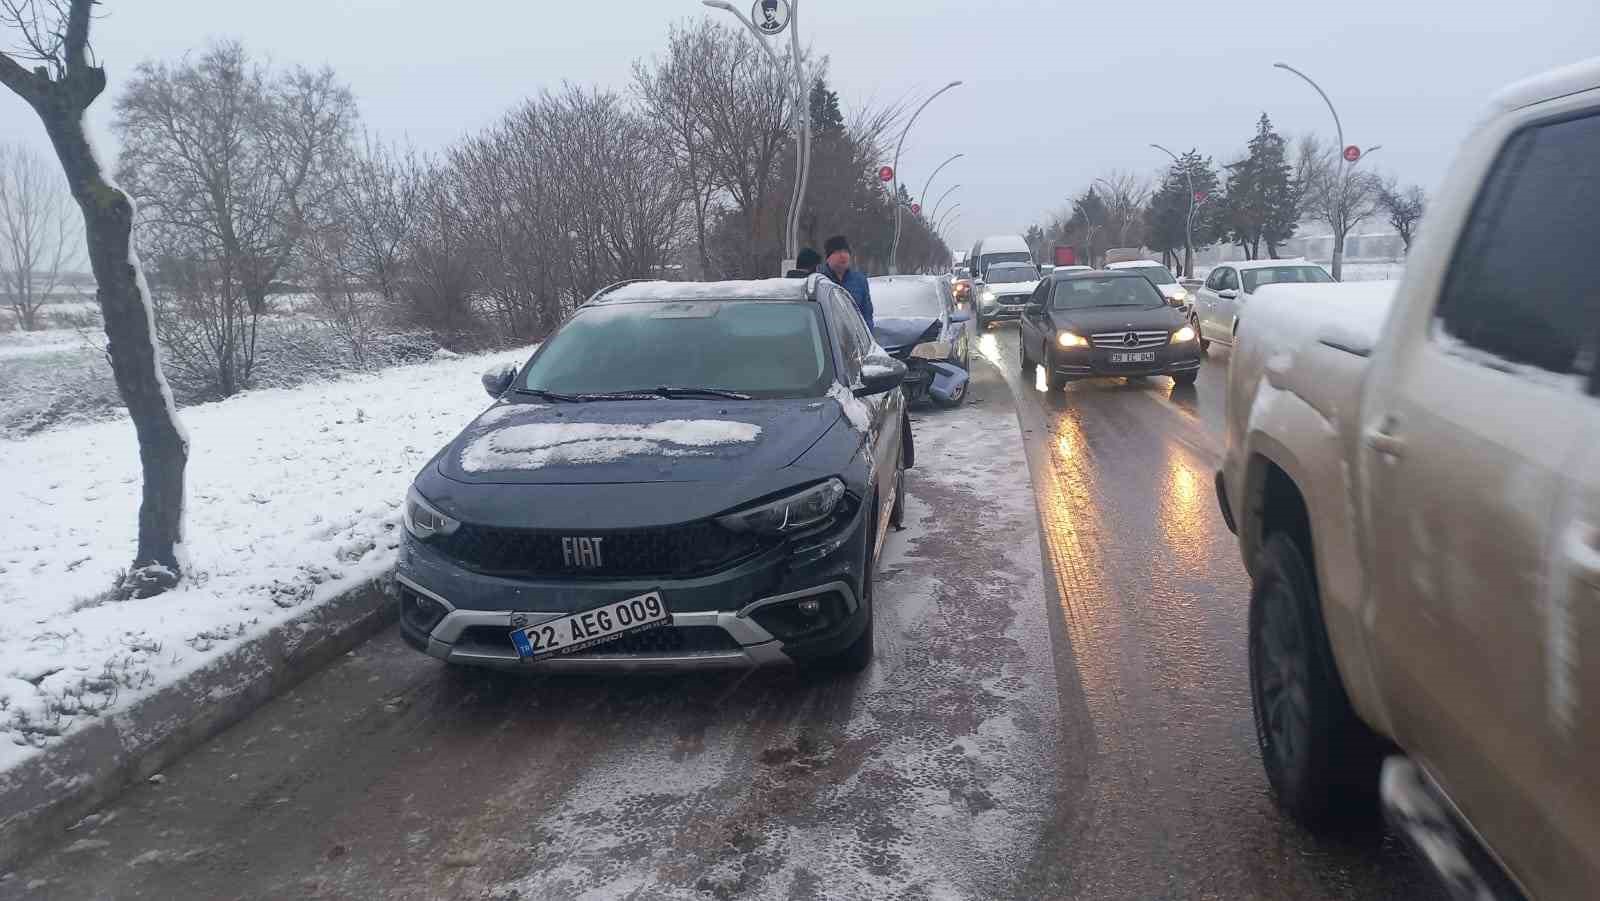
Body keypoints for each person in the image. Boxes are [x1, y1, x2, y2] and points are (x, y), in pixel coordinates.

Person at [821, 235, 873, 328]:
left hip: (855, 337)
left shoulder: (859, 280)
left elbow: (867, 313)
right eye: (838, 252)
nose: (843, 256)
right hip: (828, 336)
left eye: (846, 252)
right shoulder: (821, 280)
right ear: (828, 258)